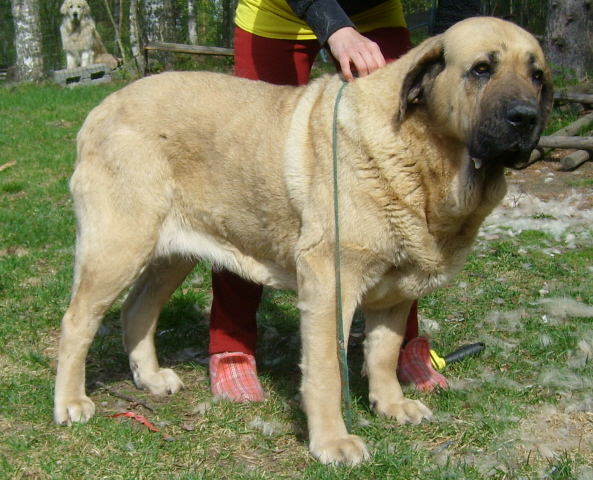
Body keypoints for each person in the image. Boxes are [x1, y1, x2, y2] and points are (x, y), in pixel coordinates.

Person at [209, 0, 447, 402]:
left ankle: (399, 348)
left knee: (406, 172)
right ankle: (231, 344)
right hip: (280, 13)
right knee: (246, 171)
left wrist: (450, 54)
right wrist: (336, 29)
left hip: (376, 11)